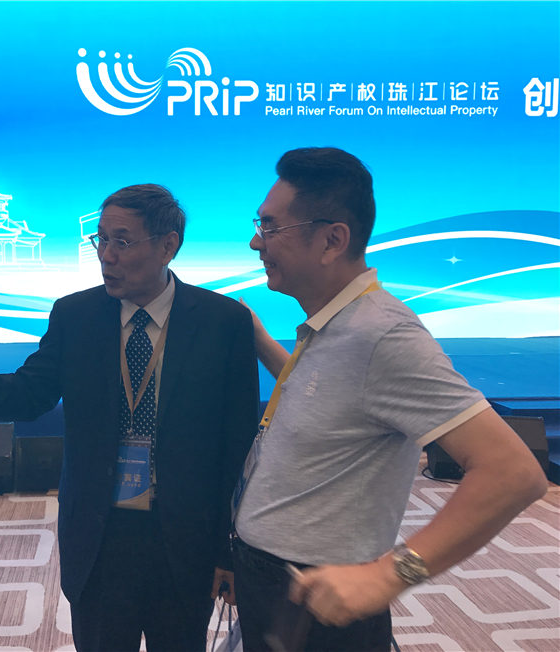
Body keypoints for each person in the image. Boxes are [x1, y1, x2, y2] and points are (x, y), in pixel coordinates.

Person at [232, 147, 548, 652]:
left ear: (332, 240)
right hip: (273, 580)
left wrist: (391, 574)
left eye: (271, 227)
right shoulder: (335, 324)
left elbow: (513, 472)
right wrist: (262, 341)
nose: (256, 242)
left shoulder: (381, 334)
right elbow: (330, 399)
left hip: (324, 601)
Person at [0, 184, 259, 651]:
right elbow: (30, 393)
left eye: (122, 241)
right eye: (100, 239)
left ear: (168, 245)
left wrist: (228, 548)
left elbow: (237, 442)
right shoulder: (76, 315)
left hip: (185, 538)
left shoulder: (223, 322)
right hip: (99, 536)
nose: (106, 255)